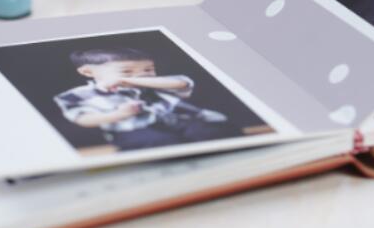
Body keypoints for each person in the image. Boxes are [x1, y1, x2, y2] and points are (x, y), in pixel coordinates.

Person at [54, 47, 239, 151]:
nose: (143, 75)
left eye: (148, 69)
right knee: (157, 143)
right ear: (88, 72)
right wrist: (118, 115)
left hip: (181, 121)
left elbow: (182, 83)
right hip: (134, 129)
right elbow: (82, 118)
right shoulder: (78, 95)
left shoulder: (156, 83)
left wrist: (128, 79)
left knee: (213, 130)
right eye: (126, 71)